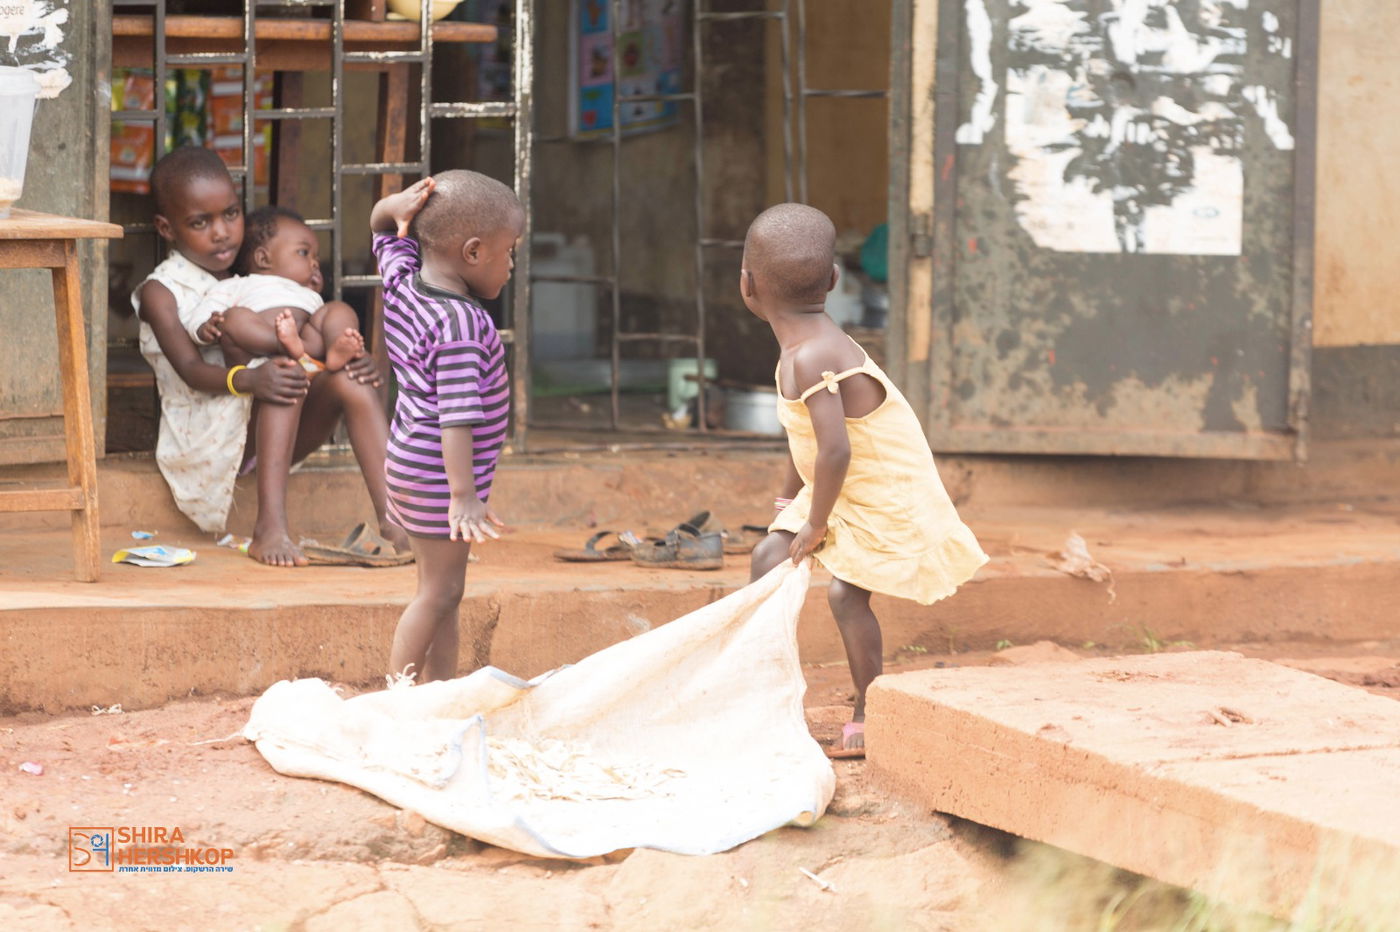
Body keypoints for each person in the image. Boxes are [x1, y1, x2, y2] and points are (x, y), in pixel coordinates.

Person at [743, 203, 989, 757]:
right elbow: (803, 436)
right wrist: (791, 502)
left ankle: (867, 707)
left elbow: (836, 449)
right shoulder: (799, 349)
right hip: (838, 488)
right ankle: (756, 691)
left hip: (882, 495)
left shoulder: (813, 356)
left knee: (845, 594)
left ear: (747, 286)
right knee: (766, 559)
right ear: (834, 279)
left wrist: (814, 522)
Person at [132, 146, 408, 566]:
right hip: (212, 440)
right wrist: (250, 380)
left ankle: (399, 523)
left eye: (230, 213)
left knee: (346, 379)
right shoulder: (162, 291)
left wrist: (350, 355)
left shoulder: (253, 273)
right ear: (166, 228)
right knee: (283, 372)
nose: (222, 232)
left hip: (273, 427)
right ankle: (270, 529)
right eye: (199, 222)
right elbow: (190, 369)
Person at [370, 172, 520, 683]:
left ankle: (441, 689)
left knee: (445, 592)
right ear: (474, 252)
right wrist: (464, 496)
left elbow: (381, 230)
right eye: (509, 252)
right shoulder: (460, 326)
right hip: (439, 477)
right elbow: (456, 417)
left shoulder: (404, 280)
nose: (512, 264)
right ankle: (401, 695)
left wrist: (391, 204)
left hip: (410, 463)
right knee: (437, 594)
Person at [190, 206, 366, 375]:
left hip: (308, 358)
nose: (315, 263)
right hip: (259, 362)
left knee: (338, 308)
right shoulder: (236, 285)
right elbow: (203, 312)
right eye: (304, 253)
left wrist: (316, 292)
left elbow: (320, 322)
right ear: (263, 258)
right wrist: (203, 328)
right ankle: (285, 344)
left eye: (316, 257)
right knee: (232, 317)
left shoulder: (306, 293)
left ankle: (338, 348)